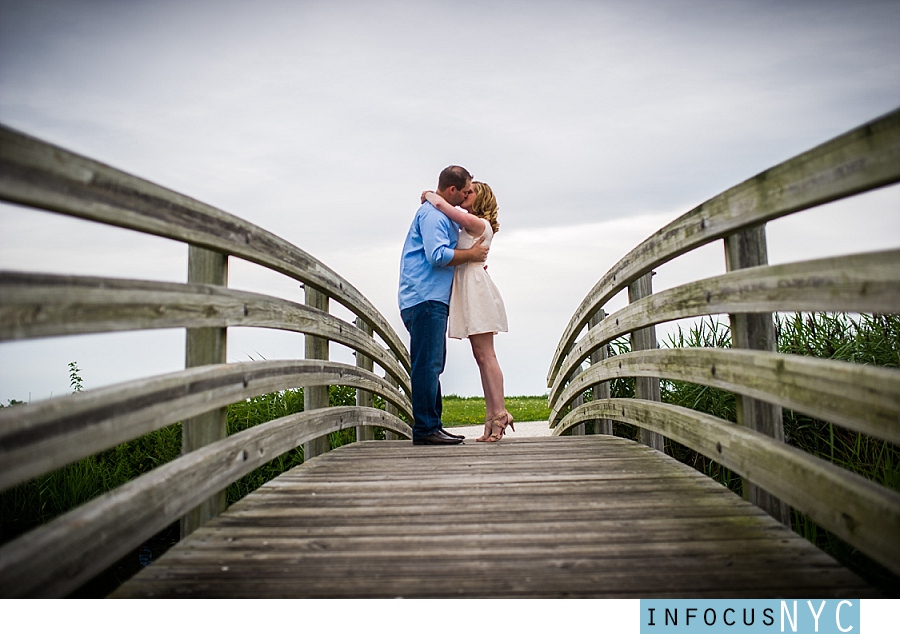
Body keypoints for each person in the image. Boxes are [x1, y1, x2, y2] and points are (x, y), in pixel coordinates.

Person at [398, 165, 489, 445]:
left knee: (432, 364)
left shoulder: (439, 213)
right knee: (428, 365)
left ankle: (432, 425)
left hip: (428, 298)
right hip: (424, 297)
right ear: (452, 190)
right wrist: (472, 254)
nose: (466, 197)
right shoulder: (433, 216)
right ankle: (426, 429)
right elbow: (436, 255)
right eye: (464, 192)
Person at [422, 181, 514, 442]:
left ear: (480, 198)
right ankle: (492, 417)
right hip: (469, 287)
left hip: (476, 289)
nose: (465, 194)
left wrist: (429, 195)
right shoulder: (471, 224)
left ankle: (499, 413)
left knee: (486, 355)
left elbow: (442, 205)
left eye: (470, 192)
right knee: (481, 356)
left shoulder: (479, 223)